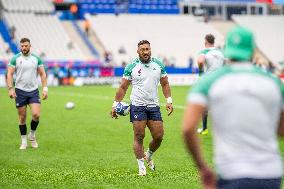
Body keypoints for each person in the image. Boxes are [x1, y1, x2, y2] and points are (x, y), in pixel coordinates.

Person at [183, 27, 284, 189]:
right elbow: (281, 130)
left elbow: (188, 128)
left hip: (232, 172)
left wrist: (203, 167)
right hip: (271, 172)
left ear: (228, 51)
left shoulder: (209, 82)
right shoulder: (274, 82)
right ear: (252, 51)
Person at [111, 40, 173, 176]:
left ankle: (148, 155)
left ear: (150, 50)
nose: (146, 52)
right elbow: (123, 87)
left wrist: (169, 100)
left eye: (148, 49)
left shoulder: (159, 65)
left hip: (154, 106)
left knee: (158, 136)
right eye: (143, 49)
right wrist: (115, 105)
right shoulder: (131, 67)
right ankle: (141, 168)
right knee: (139, 136)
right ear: (138, 51)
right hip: (137, 105)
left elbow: (165, 83)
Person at [6, 38, 48, 150]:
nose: (24, 48)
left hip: (33, 91)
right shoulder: (16, 58)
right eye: (22, 46)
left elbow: (42, 74)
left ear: (30, 46)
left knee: (36, 115)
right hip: (20, 91)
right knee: (22, 117)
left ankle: (32, 135)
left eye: (26, 46)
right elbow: (9, 74)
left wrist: (45, 89)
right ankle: (24, 141)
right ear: (20, 47)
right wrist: (10, 89)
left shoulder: (36, 59)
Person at [197, 34, 224, 135]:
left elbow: (200, 61)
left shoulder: (204, 51)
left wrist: (200, 71)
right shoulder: (221, 52)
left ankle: (204, 129)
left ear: (205, 42)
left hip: (209, 81)